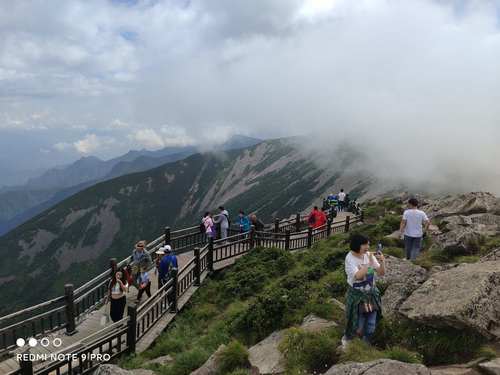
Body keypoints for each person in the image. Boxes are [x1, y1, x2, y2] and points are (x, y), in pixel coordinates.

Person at [344, 234, 386, 345]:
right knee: (358, 325)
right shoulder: (350, 258)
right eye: (365, 244)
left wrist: (382, 261)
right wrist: (368, 263)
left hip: (370, 294)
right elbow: (357, 276)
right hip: (357, 295)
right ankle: (351, 343)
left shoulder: (368, 255)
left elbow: (381, 273)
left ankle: (365, 345)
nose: (368, 247)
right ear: (358, 245)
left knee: (371, 325)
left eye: (368, 244)